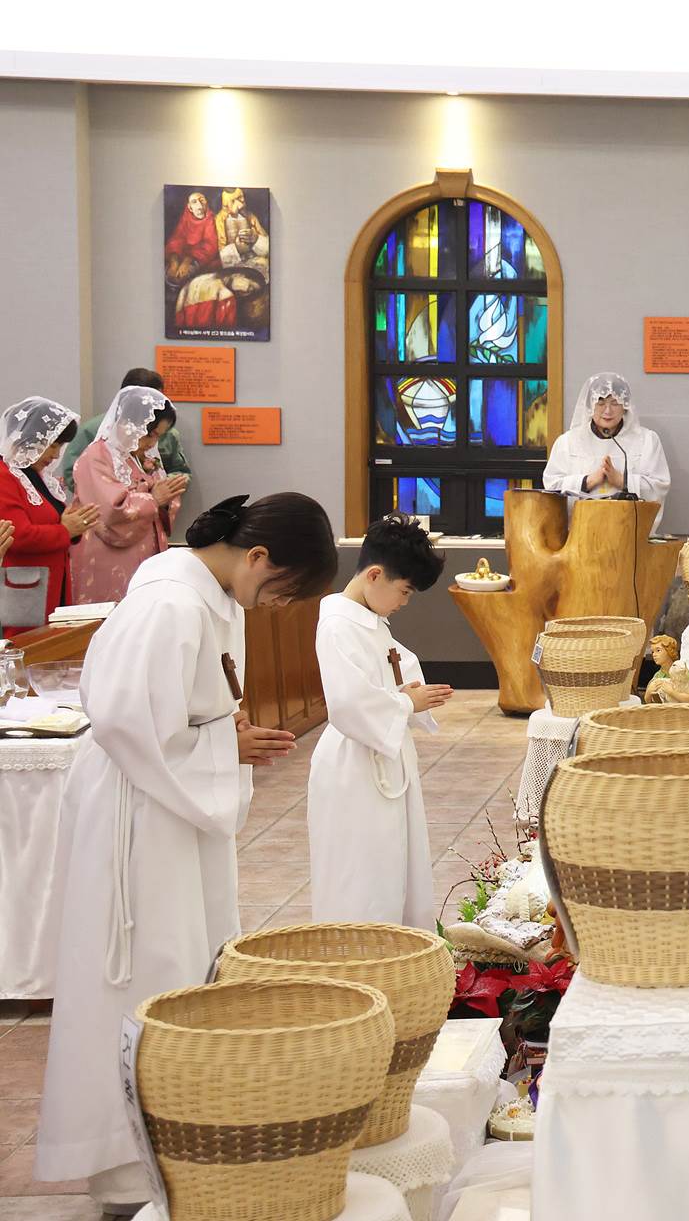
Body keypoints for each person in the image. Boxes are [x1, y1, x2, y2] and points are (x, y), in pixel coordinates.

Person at [36, 492, 338, 1210]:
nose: (275, 606)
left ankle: (184, 1135)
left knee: (191, 959)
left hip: (173, 806)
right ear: (257, 556)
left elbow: (188, 710)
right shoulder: (169, 605)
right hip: (139, 810)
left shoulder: (213, 599)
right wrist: (222, 745)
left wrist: (225, 734)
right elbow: (124, 721)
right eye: (281, 589)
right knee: (148, 968)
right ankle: (124, 1162)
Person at [307, 515, 454, 928]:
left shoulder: (370, 620)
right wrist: (406, 703)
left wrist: (410, 697)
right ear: (374, 574)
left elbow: (390, 675)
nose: (404, 602)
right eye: (404, 591)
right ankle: (358, 954)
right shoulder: (338, 625)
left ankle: (399, 950)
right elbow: (348, 703)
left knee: (392, 866)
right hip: (353, 763)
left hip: (382, 755)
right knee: (360, 873)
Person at [70, 385, 189, 604]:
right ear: (130, 423)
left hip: (143, 552)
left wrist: (167, 497)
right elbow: (109, 511)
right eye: (151, 434)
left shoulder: (136, 457)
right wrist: (154, 499)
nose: (153, 443)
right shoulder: (96, 457)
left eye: (158, 436)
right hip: (108, 556)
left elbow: (158, 500)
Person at [0, 396, 100, 636]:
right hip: (23, 585)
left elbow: (50, 519)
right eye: (53, 445)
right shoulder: (5, 475)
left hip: (51, 579)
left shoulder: (34, 474)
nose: (56, 455)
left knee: (50, 646)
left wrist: (74, 523)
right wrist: (65, 530)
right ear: (32, 438)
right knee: (25, 648)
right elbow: (16, 535)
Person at [542, 372, 672, 535]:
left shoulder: (646, 440)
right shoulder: (568, 442)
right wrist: (587, 481)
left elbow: (659, 486)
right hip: (580, 535)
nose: (608, 411)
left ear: (625, 406)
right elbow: (551, 486)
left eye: (615, 403)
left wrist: (622, 481)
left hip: (628, 534)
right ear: (590, 405)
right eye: (600, 402)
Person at [61, 368, 194, 491]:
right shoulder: (92, 431)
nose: (152, 442)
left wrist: (164, 486)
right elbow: (73, 475)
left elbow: (180, 470)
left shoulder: (168, 433)